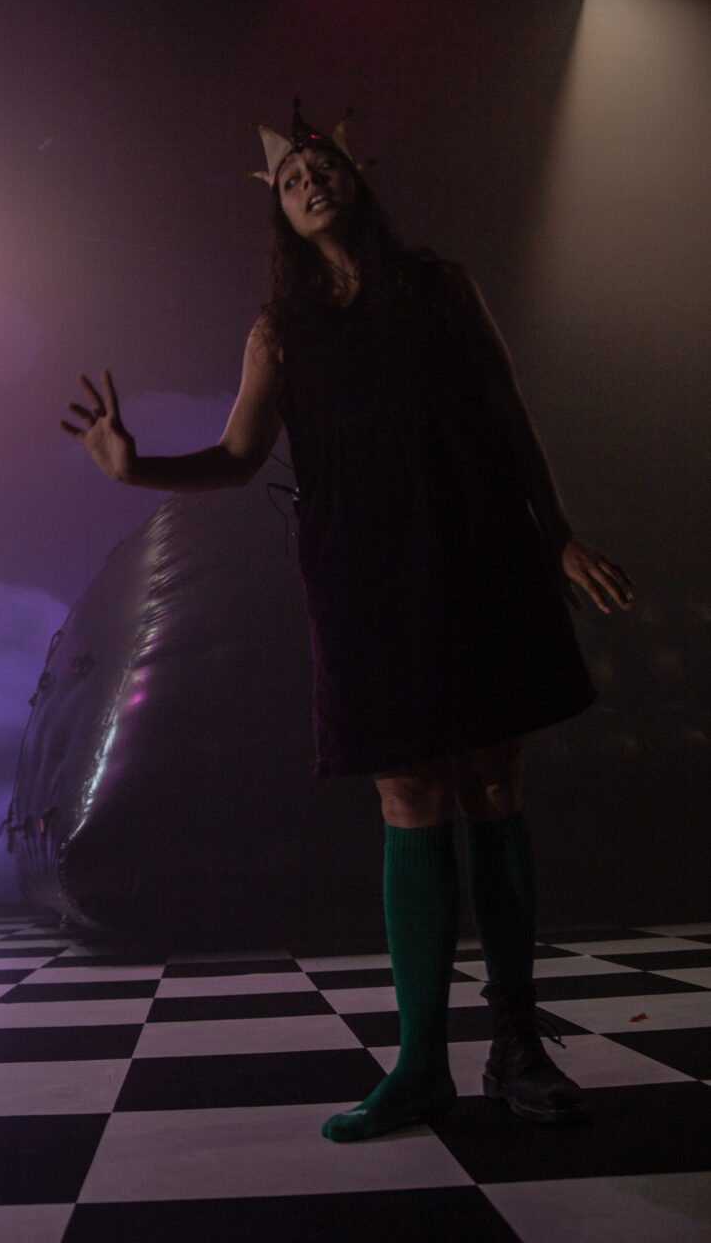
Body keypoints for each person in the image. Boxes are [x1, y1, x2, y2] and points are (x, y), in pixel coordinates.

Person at [60, 102, 632, 1142]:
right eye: (290, 181)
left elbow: (506, 415)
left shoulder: (439, 286)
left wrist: (555, 536)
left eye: (320, 169)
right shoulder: (277, 329)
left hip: (479, 552)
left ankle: (517, 1045)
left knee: (494, 785)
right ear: (278, 212)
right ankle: (420, 1065)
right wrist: (134, 467)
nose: (309, 183)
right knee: (408, 794)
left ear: (355, 180)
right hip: (363, 575)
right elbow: (236, 458)